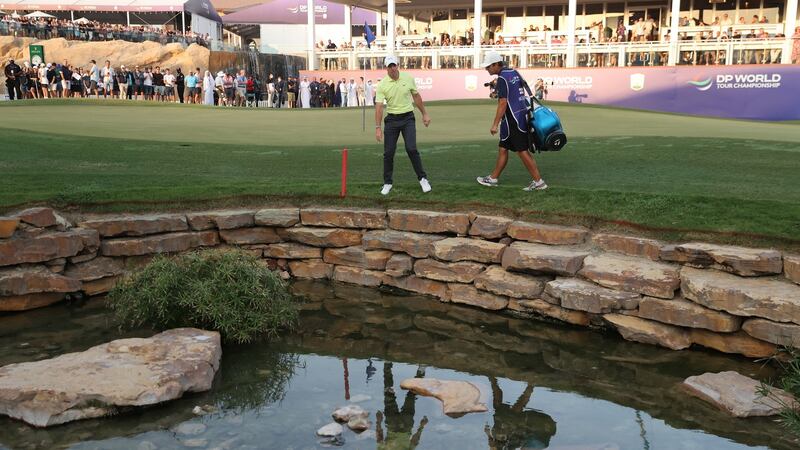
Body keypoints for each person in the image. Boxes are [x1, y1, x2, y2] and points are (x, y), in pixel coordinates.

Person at [476, 51, 547, 191]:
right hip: (518, 116)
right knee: (503, 148)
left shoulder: (502, 78)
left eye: (489, 66)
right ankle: (493, 178)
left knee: (522, 151)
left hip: (513, 119)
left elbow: (503, 103)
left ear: (496, 64)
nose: (487, 69)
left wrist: (495, 124)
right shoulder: (513, 72)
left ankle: (539, 182)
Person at [374, 55, 432, 195]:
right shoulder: (382, 84)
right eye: (389, 66)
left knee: (411, 149)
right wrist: (378, 128)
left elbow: (416, 97)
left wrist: (424, 113)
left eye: (394, 65)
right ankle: (387, 183)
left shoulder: (408, 78)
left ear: (397, 65)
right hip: (392, 121)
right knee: (388, 153)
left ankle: (423, 179)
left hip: (408, 118)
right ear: (386, 68)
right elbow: (379, 107)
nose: (392, 68)